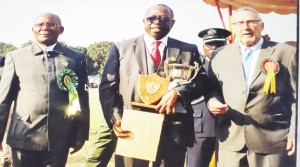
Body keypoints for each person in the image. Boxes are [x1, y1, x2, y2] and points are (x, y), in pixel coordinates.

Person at [99, 4, 210, 167]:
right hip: (133, 126)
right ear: (144, 21)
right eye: (151, 18)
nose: (157, 21)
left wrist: (178, 92)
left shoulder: (188, 49)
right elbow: (108, 86)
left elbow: (201, 81)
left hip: (173, 128)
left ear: (172, 23)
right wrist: (116, 118)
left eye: (164, 18)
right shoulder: (121, 48)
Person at [207, 7, 296, 167]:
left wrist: (295, 133)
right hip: (230, 142)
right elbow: (212, 89)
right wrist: (212, 101)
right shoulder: (219, 55)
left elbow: (297, 96)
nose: (246, 27)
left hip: (273, 141)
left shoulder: (286, 52)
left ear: (262, 26)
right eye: (240, 23)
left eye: (251, 22)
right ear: (233, 28)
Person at [0, 12, 90, 167]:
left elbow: (81, 98)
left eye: (51, 24)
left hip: (60, 137)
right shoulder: (15, 57)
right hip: (24, 136)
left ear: (61, 30)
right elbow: (3, 101)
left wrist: (81, 133)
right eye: (39, 25)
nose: (45, 28)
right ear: (32, 29)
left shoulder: (76, 58)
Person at [186, 28, 231, 167]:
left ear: (226, 44)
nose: (214, 48)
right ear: (203, 46)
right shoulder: (194, 67)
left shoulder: (235, 67)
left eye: (219, 44)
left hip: (231, 126)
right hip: (201, 126)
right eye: (210, 44)